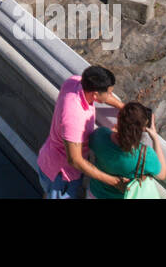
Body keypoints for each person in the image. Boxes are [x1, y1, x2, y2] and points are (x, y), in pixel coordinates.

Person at [36, 64, 125, 198]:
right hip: (61, 176)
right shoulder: (74, 117)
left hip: (48, 158)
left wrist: (123, 107)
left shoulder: (75, 82)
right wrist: (113, 181)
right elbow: (75, 160)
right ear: (95, 94)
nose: (111, 95)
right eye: (109, 92)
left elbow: (103, 96)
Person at [89, 102, 166, 199]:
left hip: (94, 193)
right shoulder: (144, 155)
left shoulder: (100, 135)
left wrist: (114, 131)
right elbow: (162, 175)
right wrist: (155, 138)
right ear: (143, 129)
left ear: (118, 119)